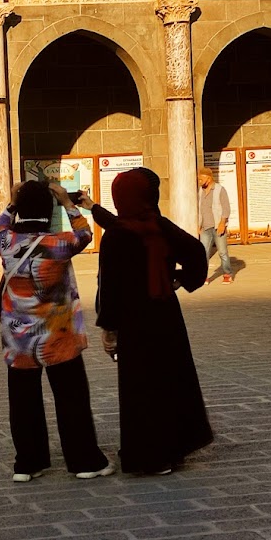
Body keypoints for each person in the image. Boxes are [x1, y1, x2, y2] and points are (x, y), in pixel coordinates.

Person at [0, 179, 113, 483]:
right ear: (49, 211)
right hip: (58, 335)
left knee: (22, 399)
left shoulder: (6, 242)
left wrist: (12, 201)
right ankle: (84, 460)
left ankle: (28, 463)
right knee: (71, 397)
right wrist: (68, 203)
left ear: (20, 211)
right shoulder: (60, 244)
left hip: (18, 337)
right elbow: (85, 233)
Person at [95, 168, 213, 475]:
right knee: (170, 380)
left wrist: (108, 329)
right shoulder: (159, 226)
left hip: (134, 321)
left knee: (141, 388)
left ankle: (150, 457)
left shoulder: (116, 236)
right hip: (165, 315)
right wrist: (179, 279)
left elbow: (109, 287)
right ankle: (174, 449)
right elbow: (196, 253)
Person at [198, 167, 233, 284]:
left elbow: (226, 208)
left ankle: (227, 274)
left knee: (222, 252)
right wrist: (199, 225)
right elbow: (199, 209)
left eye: (201, 179)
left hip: (218, 226)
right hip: (205, 227)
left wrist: (223, 223)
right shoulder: (200, 191)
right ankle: (204, 276)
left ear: (208, 178)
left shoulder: (220, 190)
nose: (200, 181)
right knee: (204, 253)